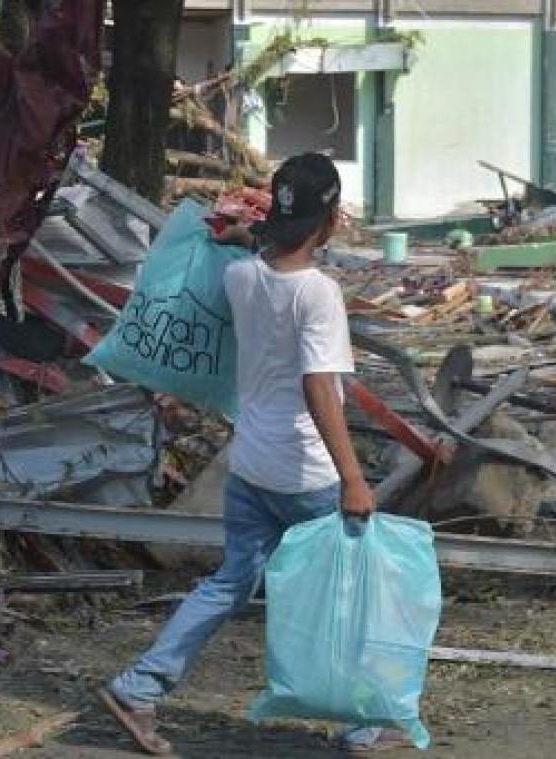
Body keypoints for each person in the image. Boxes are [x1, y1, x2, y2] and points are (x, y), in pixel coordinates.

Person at [95, 153, 410, 755]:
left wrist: (247, 234)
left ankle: (139, 687)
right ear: (335, 220)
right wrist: (353, 478)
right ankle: (364, 726)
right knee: (344, 591)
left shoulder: (242, 275)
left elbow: (256, 245)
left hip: (249, 465)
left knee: (231, 582)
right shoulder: (318, 294)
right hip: (304, 472)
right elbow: (320, 387)